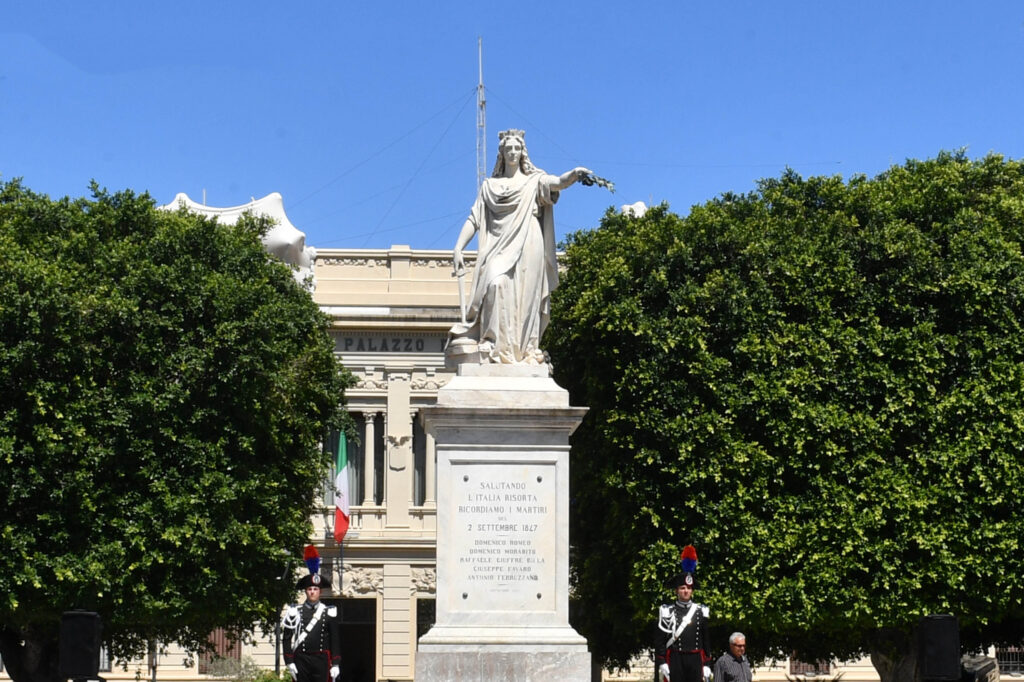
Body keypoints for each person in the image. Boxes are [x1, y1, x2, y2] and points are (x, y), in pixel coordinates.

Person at [449, 128, 593, 364]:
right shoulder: (489, 186)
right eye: (509, 149)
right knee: (495, 284)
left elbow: (557, 182)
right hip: (498, 246)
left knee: (527, 297)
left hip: (529, 243)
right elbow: (474, 218)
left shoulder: (534, 181)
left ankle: (525, 349)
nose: (513, 152)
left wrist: (575, 175)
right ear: (502, 154)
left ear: (523, 152)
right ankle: (493, 344)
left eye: (517, 148)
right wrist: (458, 248)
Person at [282, 546, 341, 682]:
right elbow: (286, 638)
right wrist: (289, 660)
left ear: (320, 591)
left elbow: (335, 640)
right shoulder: (295, 611)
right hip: (301, 659)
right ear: (305, 591)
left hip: (321, 660)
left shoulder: (329, 612)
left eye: (315, 589)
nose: (312, 591)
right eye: (309, 589)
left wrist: (336, 663)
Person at [654, 546, 710, 682]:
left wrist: (707, 663)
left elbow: (706, 639)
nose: (686, 591)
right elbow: (660, 640)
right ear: (676, 591)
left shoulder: (701, 610)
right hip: (675, 658)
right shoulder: (667, 610)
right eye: (682, 588)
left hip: (696, 659)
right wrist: (662, 662)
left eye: (689, 588)